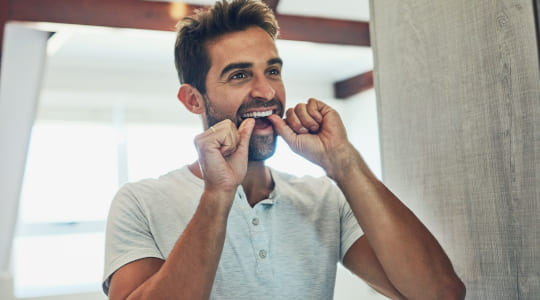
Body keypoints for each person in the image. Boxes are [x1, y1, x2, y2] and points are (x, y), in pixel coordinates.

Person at [102, 0, 465, 299]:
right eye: (240, 75)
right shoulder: (139, 202)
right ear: (194, 100)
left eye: (272, 71)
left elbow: (441, 294)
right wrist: (218, 194)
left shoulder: (324, 198)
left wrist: (345, 164)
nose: (267, 91)